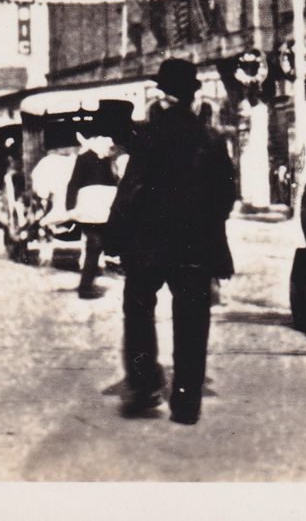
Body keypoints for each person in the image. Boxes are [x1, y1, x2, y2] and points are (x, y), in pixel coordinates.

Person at [103, 58, 237, 424]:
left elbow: (131, 190)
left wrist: (114, 236)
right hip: (195, 245)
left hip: (148, 243)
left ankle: (144, 385)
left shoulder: (148, 138)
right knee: (193, 319)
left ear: (163, 95)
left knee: (138, 311)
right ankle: (187, 402)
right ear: (193, 96)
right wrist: (208, 226)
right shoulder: (211, 140)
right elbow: (226, 195)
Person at [64, 133, 122, 300]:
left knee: (95, 244)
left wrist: (70, 206)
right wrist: (70, 207)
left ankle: (88, 281)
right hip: (94, 206)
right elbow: (75, 181)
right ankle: (85, 286)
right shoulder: (90, 157)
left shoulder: (102, 158)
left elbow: (74, 182)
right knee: (95, 243)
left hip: (99, 205)